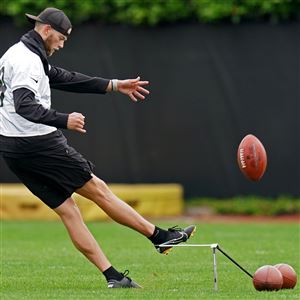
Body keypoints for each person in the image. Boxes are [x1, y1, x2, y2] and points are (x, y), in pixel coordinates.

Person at [0, 7, 196, 288]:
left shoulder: (17, 53)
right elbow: (25, 105)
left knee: (68, 210)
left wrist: (114, 85)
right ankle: (159, 237)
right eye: (62, 37)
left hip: (12, 148)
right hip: (39, 144)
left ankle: (113, 277)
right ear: (46, 30)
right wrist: (63, 119)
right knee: (98, 189)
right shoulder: (28, 61)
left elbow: (63, 78)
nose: (63, 43)